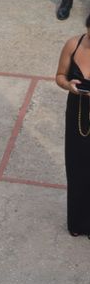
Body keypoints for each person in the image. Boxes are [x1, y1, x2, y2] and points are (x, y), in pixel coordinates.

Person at [55, 16, 90, 237]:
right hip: (77, 114)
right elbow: (59, 76)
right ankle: (77, 223)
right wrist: (69, 85)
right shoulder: (73, 44)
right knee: (76, 168)